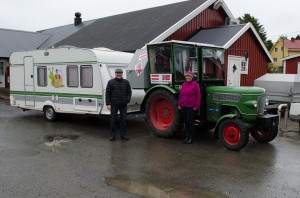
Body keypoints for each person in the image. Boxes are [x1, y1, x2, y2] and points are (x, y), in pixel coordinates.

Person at [106, 69, 132, 141]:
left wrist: (127, 100)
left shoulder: (126, 82)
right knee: (113, 120)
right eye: (117, 73)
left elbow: (129, 92)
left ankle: (123, 135)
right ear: (115, 74)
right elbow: (107, 93)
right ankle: (112, 135)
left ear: (122, 74)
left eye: (120, 73)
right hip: (114, 104)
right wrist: (108, 103)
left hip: (123, 104)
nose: (119, 74)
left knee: (123, 120)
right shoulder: (111, 82)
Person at [178, 71, 201, 144]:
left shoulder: (195, 84)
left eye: (189, 76)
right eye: (187, 76)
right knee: (186, 122)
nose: (188, 77)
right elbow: (181, 95)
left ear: (192, 77)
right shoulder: (184, 84)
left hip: (191, 107)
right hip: (183, 106)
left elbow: (198, 96)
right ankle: (187, 137)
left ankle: (191, 137)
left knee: (190, 122)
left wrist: (196, 106)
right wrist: (179, 104)